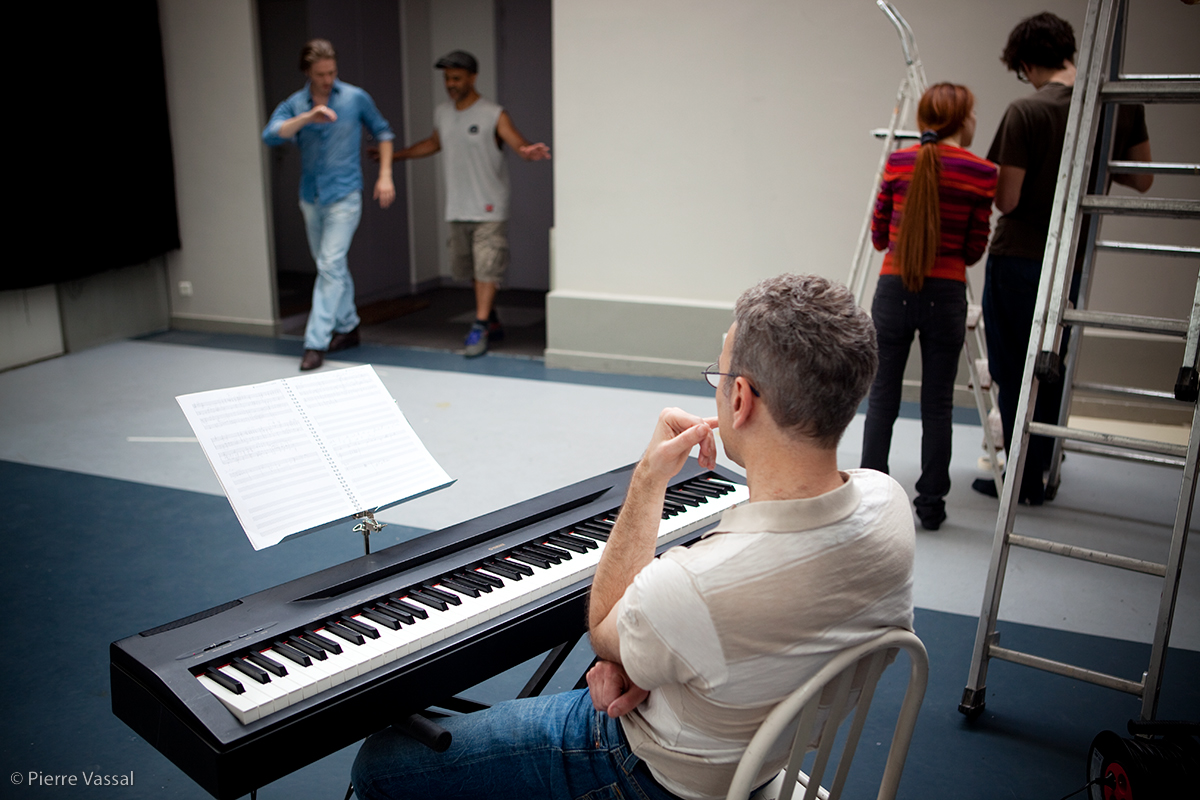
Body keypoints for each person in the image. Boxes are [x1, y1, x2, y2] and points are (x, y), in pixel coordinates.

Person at [351, 274, 916, 800]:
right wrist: (657, 658)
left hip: (649, 772)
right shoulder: (888, 506)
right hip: (764, 754)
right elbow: (757, 604)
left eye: (719, 377)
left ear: (741, 399)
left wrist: (648, 476)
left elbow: (605, 627)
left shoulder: (694, 587)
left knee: (380, 761)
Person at [974, 12, 1152, 503]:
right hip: (1072, 262)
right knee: (1051, 365)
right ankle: (1043, 471)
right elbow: (1142, 178)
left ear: (1028, 63)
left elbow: (1006, 199)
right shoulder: (1119, 103)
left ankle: (1020, 478)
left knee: (1013, 369)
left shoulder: (1026, 111)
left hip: (1020, 256)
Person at [860, 83, 997, 531]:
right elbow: (974, 249)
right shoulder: (982, 173)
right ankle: (931, 504)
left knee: (882, 397)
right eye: (972, 114)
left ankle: (871, 497)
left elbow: (879, 236)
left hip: (892, 290)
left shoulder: (898, 163)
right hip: (946, 296)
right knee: (938, 404)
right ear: (961, 120)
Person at [389, 50, 550, 357]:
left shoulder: (493, 114)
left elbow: (517, 143)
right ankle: (492, 319)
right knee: (472, 270)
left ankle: (479, 326)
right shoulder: (442, 112)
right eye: (447, 79)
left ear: (473, 77)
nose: (451, 84)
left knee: (488, 268)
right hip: (458, 206)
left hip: (489, 206)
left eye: (457, 78)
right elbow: (434, 143)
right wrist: (395, 156)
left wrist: (528, 152)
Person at [262, 39, 396, 372]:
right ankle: (348, 326)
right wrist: (307, 118)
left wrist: (385, 176)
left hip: (345, 195)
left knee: (330, 264)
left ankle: (315, 342)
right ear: (308, 73)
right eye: (321, 74)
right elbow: (271, 135)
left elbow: (383, 132)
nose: (327, 80)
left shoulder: (354, 97)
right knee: (330, 266)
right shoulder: (296, 104)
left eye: (332, 73)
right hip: (311, 197)